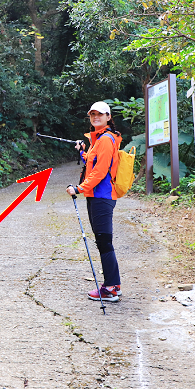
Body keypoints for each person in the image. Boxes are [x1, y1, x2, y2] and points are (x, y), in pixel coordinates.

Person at [66, 101, 123, 302]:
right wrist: (82, 151)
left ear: (108, 117)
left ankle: (110, 289)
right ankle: (113, 285)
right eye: (92, 115)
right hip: (97, 197)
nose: (95, 117)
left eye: (99, 114)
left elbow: (100, 172)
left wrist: (79, 188)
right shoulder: (97, 140)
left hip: (102, 197)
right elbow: (92, 163)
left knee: (104, 243)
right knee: (104, 242)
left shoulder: (106, 140)